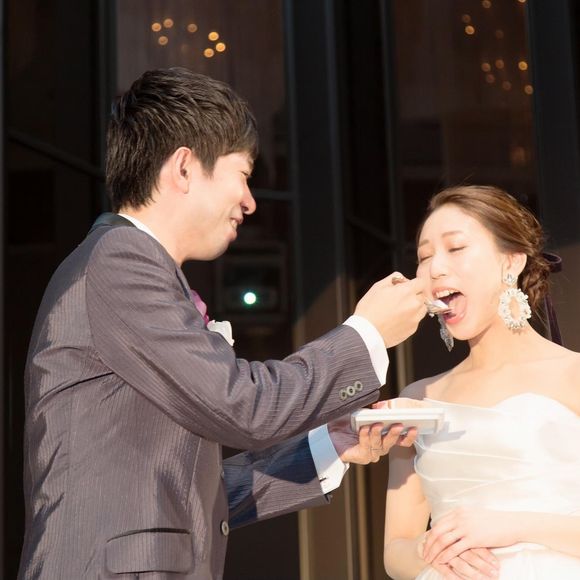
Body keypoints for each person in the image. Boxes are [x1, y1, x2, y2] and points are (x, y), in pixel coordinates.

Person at [18, 68, 427, 579]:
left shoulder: (127, 264)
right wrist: (367, 333)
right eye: (243, 174)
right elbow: (244, 406)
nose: (250, 201)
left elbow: (190, 501)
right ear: (184, 168)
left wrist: (329, 445)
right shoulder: (121, 260)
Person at [383, 185, 580, 579]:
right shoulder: (418, 398)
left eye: (455, 248)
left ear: (512, 261)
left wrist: (513, 526)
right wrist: (432, 549)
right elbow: (395, 549)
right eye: (424, 257)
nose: (435, 268)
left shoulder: (572, 374)